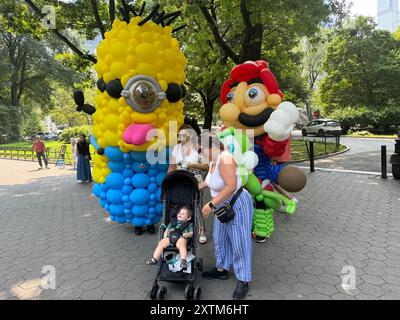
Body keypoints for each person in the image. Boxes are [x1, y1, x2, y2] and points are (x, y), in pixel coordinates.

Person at [199, 134, 254, 300]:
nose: (201, 154)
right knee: (220, 238)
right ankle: (221, 269)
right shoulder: (213, 160)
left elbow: (231, 186)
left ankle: (243, 279)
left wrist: (211, 204)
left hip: (236, 204)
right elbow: (210, 182)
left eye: (201, 150)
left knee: (239, 242)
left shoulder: (225, 159)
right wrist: (195, 187)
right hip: (222, 205)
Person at [168, 124, 209, 244]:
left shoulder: (197, 148)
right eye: (179, 134)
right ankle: (183, 227)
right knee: (181, 203)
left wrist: (191, 165)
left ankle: (202, 230)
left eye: (182, 134)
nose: (180, 136)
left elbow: (206, 166)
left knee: (196, 204)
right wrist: (167, 179)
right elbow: (172, 166)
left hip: (195, 179)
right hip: (180, 180)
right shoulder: (177, 148)